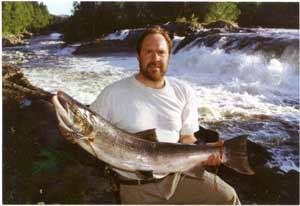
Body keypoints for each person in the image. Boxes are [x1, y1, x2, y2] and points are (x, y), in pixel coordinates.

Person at [90, 26, 240, 204]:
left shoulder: (183, 91)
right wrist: (69, 132)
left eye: (161, 52)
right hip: (137, 185)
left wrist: (207, 152)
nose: (155, 59)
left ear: (169, 56)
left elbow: (187, 138)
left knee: (227, 197)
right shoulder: (113, 93)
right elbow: (88, 129)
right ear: (138, 56)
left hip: (178, 175)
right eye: (149, 52)